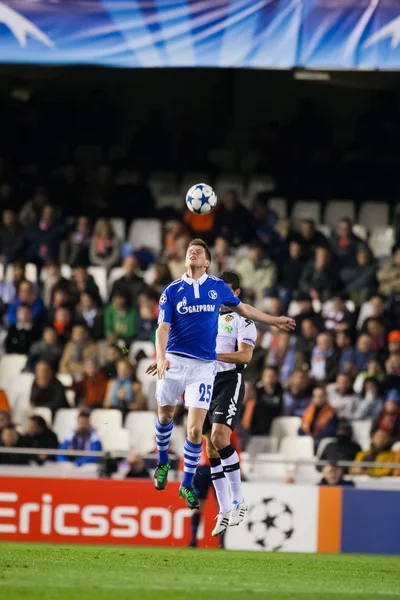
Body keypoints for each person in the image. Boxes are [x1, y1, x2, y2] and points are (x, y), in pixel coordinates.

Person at [147, 238, 294, 511]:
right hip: (176, 361)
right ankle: (163, 462)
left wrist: (274, 320)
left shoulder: (216, 288)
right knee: (165, 415)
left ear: (207, 262)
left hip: (204, 367)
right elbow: (162, 329)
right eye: (190, 249)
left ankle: (187, 484)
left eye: (199, 251)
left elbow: (244, 309)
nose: (193, 252)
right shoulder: (172, 290)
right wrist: (161, 356)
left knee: (194, 430)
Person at [241, 366, 283, 436]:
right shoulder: (258, 392)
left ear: (277, 377)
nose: (268, 378)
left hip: (275, 425)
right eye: (266, 375)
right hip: (256, 429)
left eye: (271, 376)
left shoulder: (281, 391)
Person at [299, 385, 338, 450]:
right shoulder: (308, 411)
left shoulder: (331, 414)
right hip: (307, 439)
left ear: (325, 397)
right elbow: (300, 429)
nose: (318, 399)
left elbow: (331, 432)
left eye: (321, 396)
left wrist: (314, 437)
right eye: (315, 396)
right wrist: (305, 435)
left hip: (320, 441)